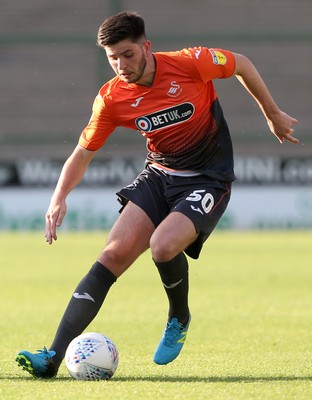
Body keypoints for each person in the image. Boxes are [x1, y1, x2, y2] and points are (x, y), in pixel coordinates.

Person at [16, 11, 299, 378]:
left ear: (146, 46)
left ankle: (178, 316)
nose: (121, 65)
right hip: (159, 175)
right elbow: (83, 152)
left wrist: (272, 113)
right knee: (112, 254)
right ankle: (52, 358)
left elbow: (241, 64)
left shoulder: (190, 63)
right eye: (112, 58)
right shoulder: (112, 98)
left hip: (207, 178)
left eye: (127, 54)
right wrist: (58, 197)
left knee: (163, 246)